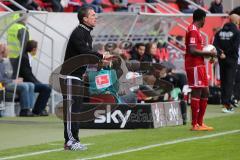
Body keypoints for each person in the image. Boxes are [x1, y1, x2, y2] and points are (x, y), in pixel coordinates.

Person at [60, 6, 113, 151]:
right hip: (69, 76)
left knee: (76, 110)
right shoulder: (78, 33)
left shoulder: (87, 34)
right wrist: (102, 56)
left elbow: (85, 57)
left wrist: (100, 63)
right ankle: (70, 141)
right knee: (72, 111)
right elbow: (85, 51)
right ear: (85, 19)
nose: (96, 17)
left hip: (77, 76)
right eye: (93, 15)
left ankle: (74, 141)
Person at [185, 9, 217, 131]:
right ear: (202, 18)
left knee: (206, 92)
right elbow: (192, 50)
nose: (205, 21)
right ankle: (194, 124)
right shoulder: (193, 30)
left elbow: (198, 49)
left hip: (199, 65)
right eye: (205, 19)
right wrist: (208, 53)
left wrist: (209, 56)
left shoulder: (196, 30)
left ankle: (200, 122)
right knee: (197, 92)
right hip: (194, 65)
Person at [213, 14, 240, 113]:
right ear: (236, 21)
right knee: (229, 82)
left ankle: (224, 101)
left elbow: (214, 45)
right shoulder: (237, 32)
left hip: (222, 59)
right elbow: (234, 47)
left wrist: (221, 53)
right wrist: (226, 53)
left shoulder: (219, 32)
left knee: (224, 81)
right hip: (231, 60)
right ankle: (227, 105)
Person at [0, 43, 35, 117]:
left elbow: (9, 74)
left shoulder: (5, 61)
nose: (7, 51)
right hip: (3, 85)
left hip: (8, 82)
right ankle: (24, 110)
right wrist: (13, 81)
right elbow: (1, 79)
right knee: (24, 86)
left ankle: (30, 109)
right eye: (4, 49)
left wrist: (15, 79)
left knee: (31, 85)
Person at [18, 40, 51, 116]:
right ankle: (37, 110)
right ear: (34, 49)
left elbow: (30, 75)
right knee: (46, 88)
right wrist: (37, 82)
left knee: (47, 87)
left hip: (29, 81)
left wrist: (38, 82)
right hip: (26, 82)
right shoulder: (24, 57)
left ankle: (40, 109)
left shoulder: (27, 57)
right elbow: (27, 75)